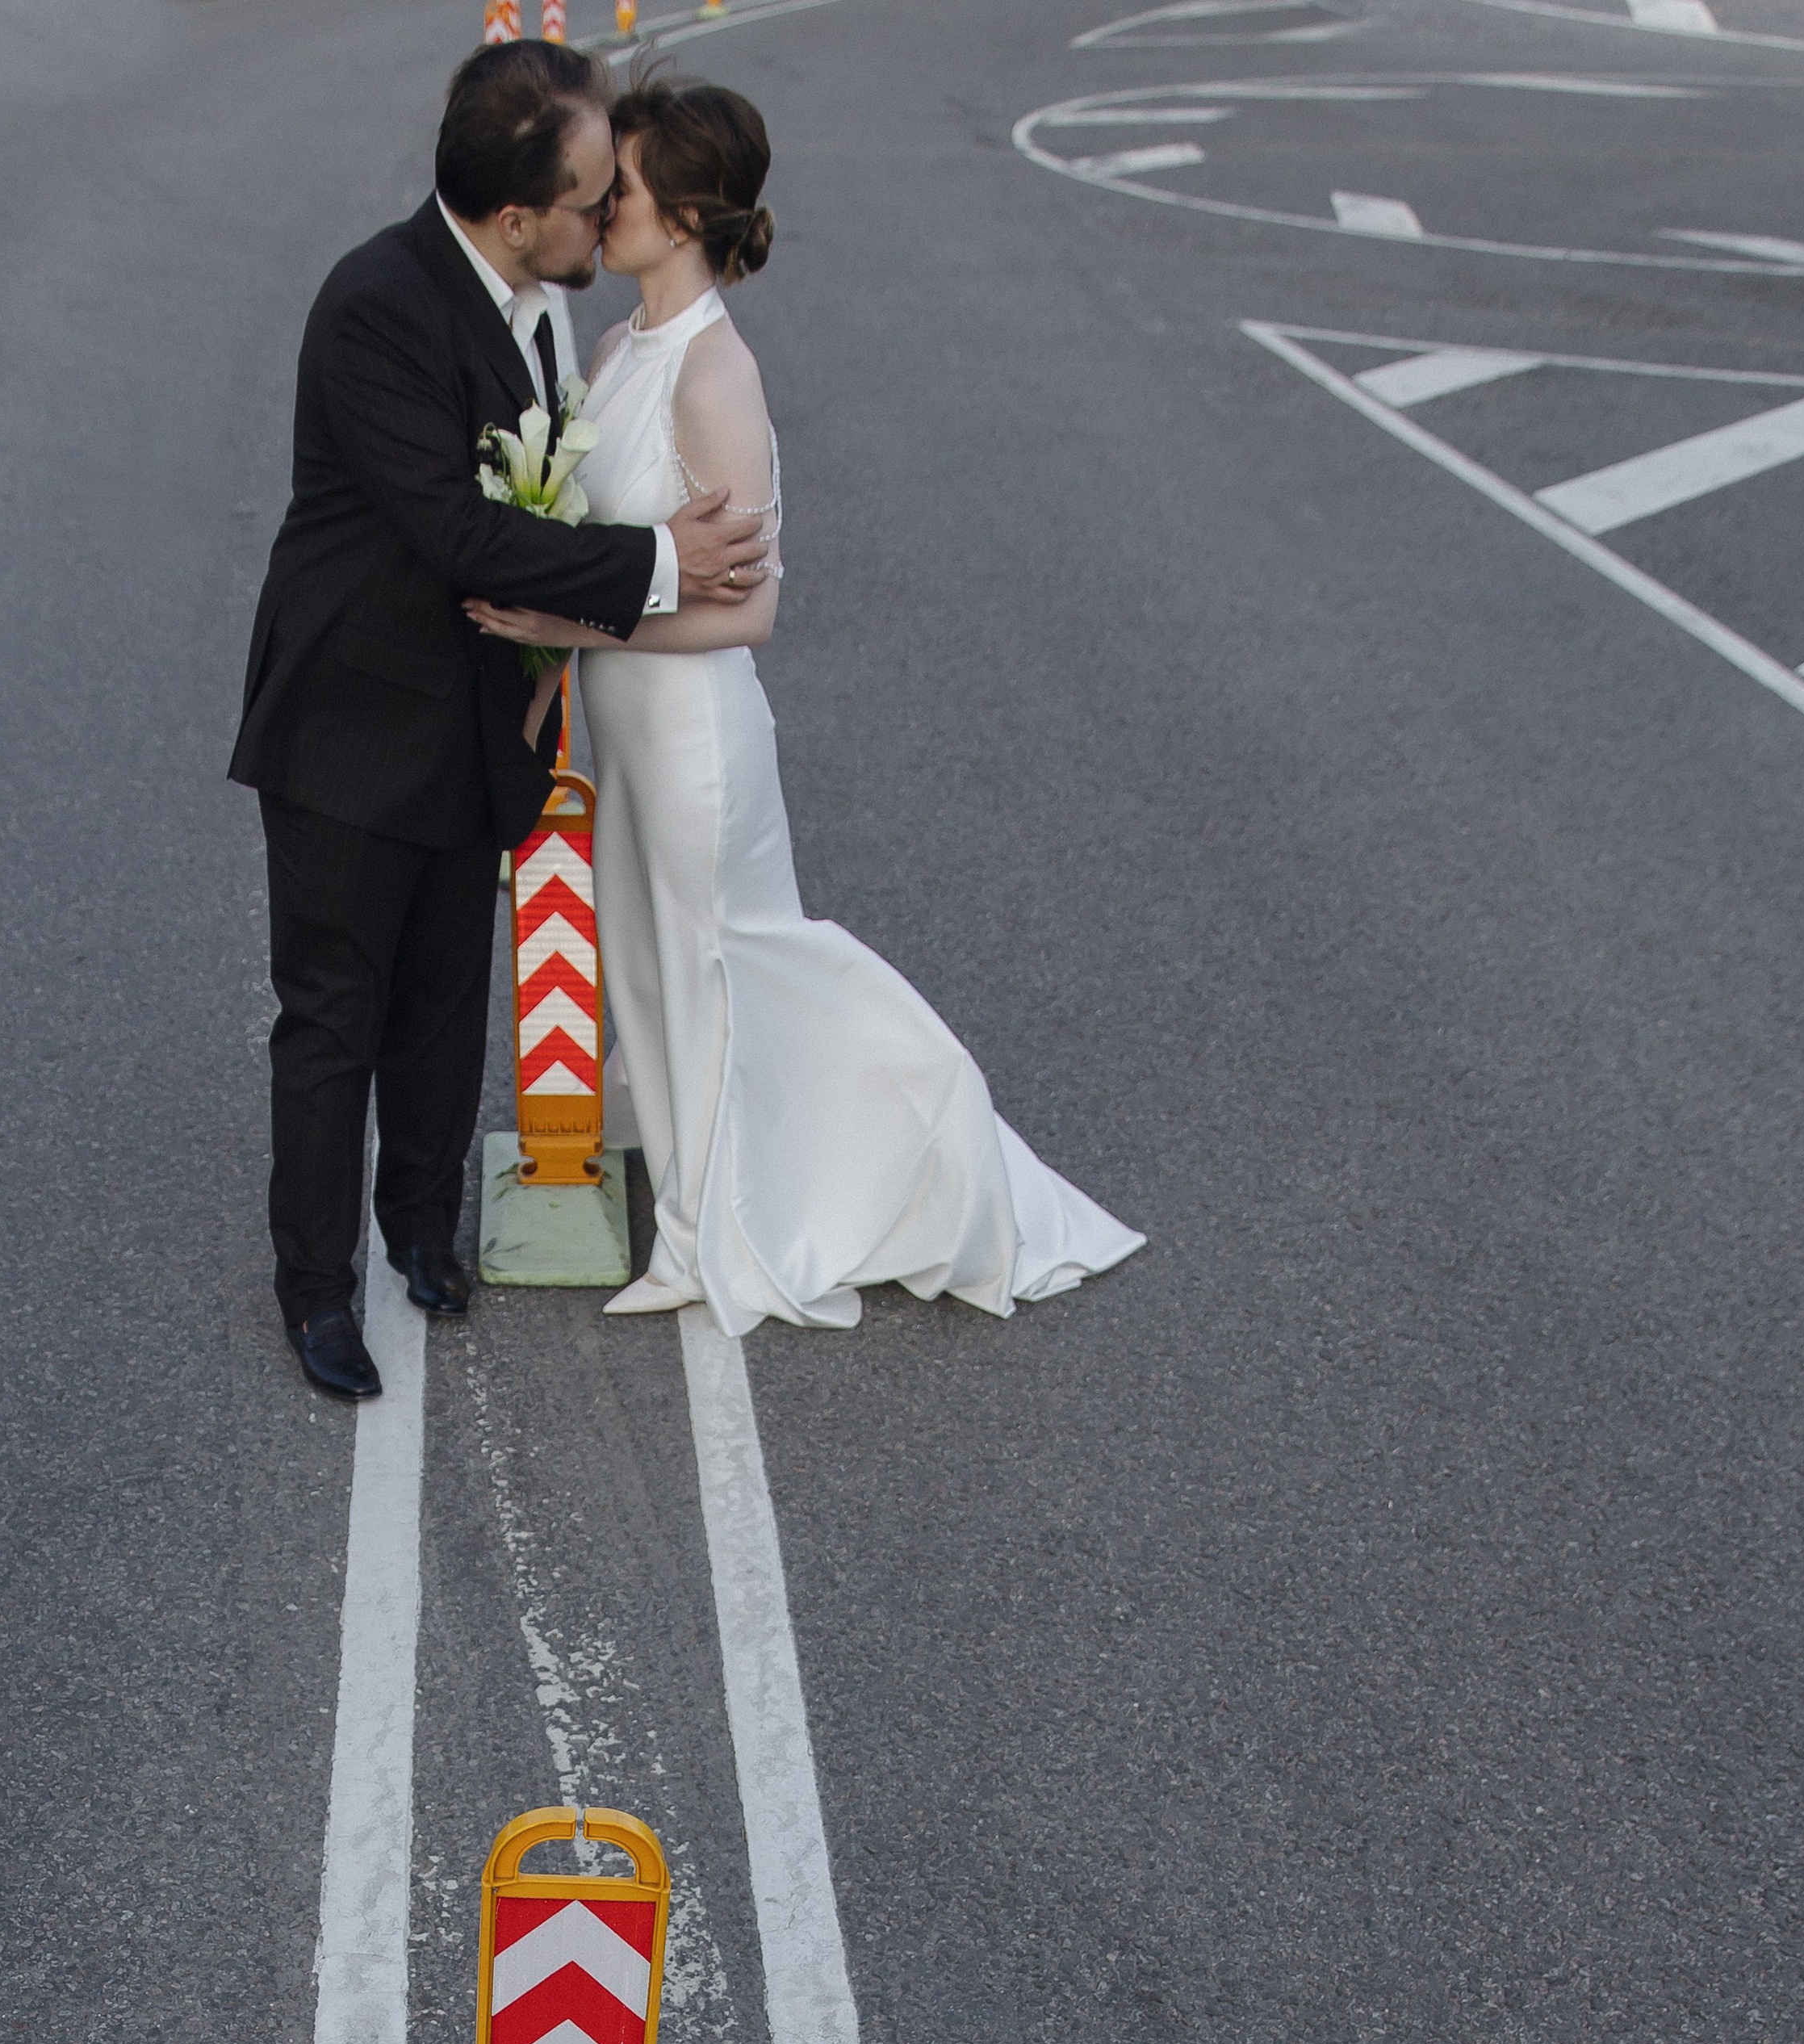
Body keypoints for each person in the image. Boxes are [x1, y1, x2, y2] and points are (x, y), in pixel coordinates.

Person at [465, 77, 1144, 1336]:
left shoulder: (714, 375)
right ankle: (688, 1209)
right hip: (626, 725)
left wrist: (572, 623)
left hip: (692, 735)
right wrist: (556, 648)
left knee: (726, 966)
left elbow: (752, 610)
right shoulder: (619, 349)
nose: (600, 206)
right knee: (654, 974)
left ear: (681, 217)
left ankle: (759, 1208)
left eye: (624, 190)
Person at [231, 41, 769, 1398]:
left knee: (439, 1005)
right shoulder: (378, 306)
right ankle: (317, 1290)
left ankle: (420, 1226)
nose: (608, 217)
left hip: (474, 717)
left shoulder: (539, 302)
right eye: (591, 198)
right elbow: (460, 530)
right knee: (334, 1016)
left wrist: (552, 665)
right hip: (352, 728)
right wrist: (658, 566)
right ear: (518, 215)